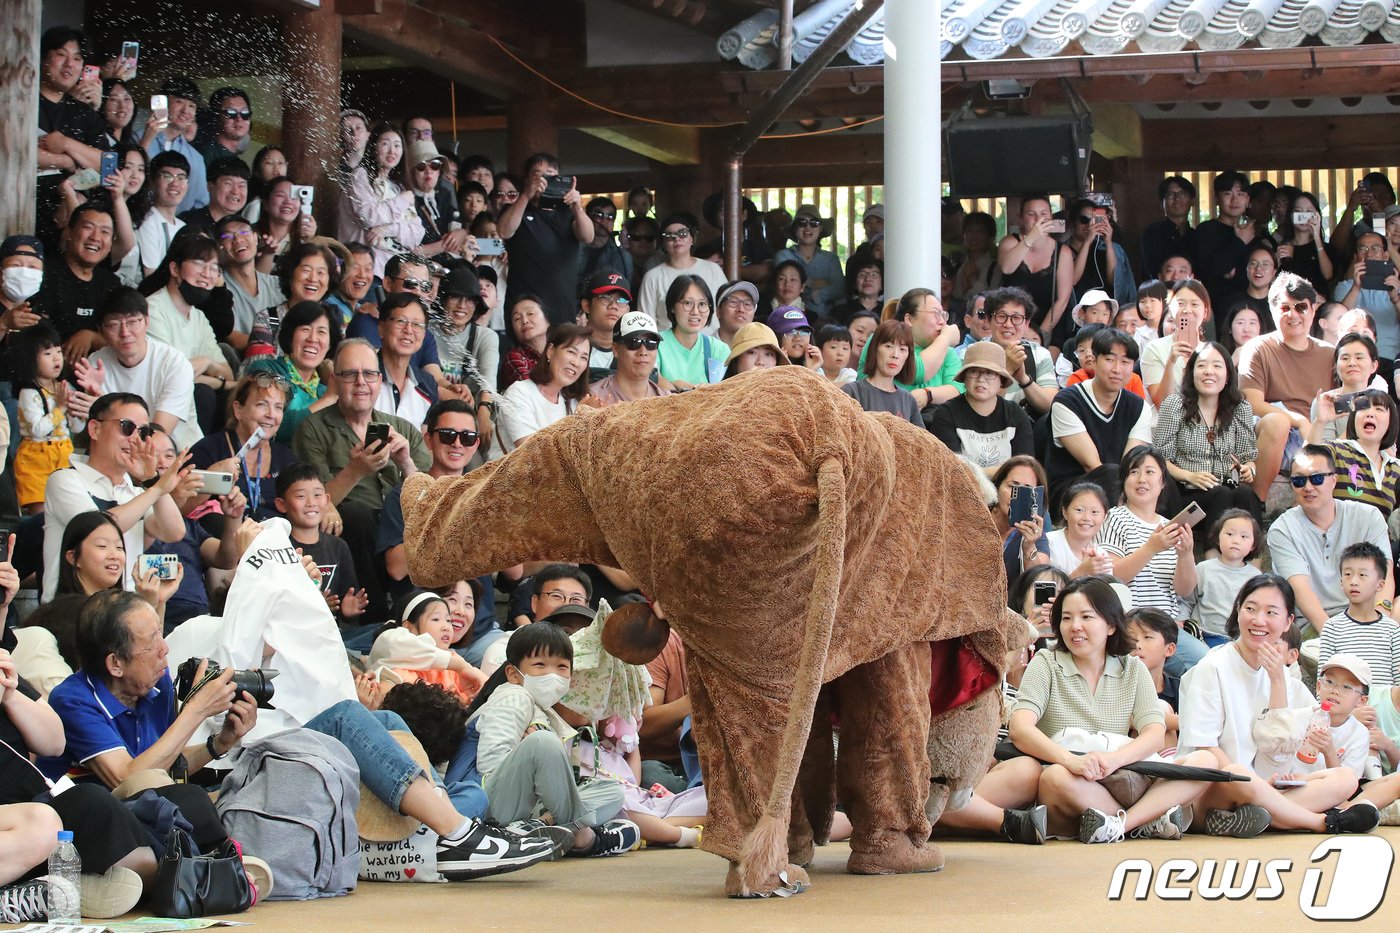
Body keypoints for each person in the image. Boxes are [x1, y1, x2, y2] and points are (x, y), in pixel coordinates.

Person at [938, 577, 1210, 844]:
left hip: (1117, 773)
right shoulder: (1047, 662)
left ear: (1112, 625)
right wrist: (1070, 761)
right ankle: (1146, 820)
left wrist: (1114, 760)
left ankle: (1125, 824)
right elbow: (1021, 729)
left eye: (1086, 617)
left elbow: (1154, 733)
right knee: (1053, 777)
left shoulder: (1133, 668)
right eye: (1066, 618)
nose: (1075, 627)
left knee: (1206, 762)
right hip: (1070, 780)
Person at [1176, 575, 1382, 836]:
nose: (1259, 620)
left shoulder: (1281, 675)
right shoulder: (1212, 667)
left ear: (1287, 622)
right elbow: (1204, 746)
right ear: (1238, 610)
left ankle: (1256, 818)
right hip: (1216, 787)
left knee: (1346, 779)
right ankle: (1320, 822)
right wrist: (1259, 784)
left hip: (1265, 786)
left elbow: (1278, 751)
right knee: (1241, 773)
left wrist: (1276, 682)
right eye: (1250, 608)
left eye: (1271, 612)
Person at [464, 624, 641, 857]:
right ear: (513, 674)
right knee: (543, 742)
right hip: (489, 805)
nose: (552, 674)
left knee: (612, 792)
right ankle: (586, 839)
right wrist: (529, 754)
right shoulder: (514, 697)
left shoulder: (542, 708)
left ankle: (536, 830)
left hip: (525, 809)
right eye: (540, 665)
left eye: (561, 667)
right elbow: (490, 766)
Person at [293, 339, 430, 621]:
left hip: (398, 530)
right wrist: (354, 471)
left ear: (380, 380)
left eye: (369, 374)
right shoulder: (313, 429)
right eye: (349, 374)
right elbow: (311, 503)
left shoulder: (403, 428)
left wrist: (405, 461)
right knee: (357, 515)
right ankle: (376, 618)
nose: (360, 383)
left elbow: (429, 496)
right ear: (334, 380)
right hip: (351, 531)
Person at [1094, 447, 1206, 671]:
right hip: (1130, 624)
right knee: (1198, 665)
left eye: (1149, 472)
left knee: (1207, 663)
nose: (1141, 479)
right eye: (1133, 472)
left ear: (1163, 482)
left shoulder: (1168, 525)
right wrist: (1151, 548)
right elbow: (1112, 577)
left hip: (1166, 627)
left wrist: (1185, 555)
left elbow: (1184, 590)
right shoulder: (1115, 518)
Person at [1267, 445, 1393, 639]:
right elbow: (1301, 591)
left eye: (1317, 478)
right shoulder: (1282, 530)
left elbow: (1384, 577)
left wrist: (1378, 629)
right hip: (1316, 625)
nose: (1308, 487)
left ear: (1334, 480)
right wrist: (1338, 638)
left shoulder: (1368, 517)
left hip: (1368, 616)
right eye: (1299, 481)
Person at [377, 399, 481, 606]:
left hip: (481, 627)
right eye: (447, 435)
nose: (457, 444)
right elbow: (396, 569)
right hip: (423, 622)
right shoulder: (403, 495)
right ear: (428, 439)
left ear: (476, 444)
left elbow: (514, 573)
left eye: (467, 437)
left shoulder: (483, 495)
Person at [72, 287, 201, 450]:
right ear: (101, 330)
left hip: (175, 455)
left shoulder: (174, 363)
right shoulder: (96, 363)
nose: (125, 333)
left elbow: (157, 434)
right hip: (121, 455)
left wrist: (104, 407)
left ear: (147, 321)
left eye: (133, 322)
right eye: (113, 325)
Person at [1237, 272, 1332, 491]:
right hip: (1277, 431)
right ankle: (1257, 503)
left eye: (1301, 307)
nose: (1293, 314)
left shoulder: (1330, 354)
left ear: (1313, 309)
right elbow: (1251, 403)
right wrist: (1297, 420)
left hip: (1319, 430)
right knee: (1278, 422)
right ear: (1272, 309)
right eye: (1285, 308)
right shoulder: (1258, 348)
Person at [1152, 342, 1264, 525]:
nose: (1209, 371)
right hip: (1186, 494)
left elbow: (1248, 458)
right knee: (1221, 494)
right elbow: (1160, 460)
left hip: (1225, 486)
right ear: (1191, 373)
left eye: (1217, 366)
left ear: (1227, 375)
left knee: (1245, 494)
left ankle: (1254, 551)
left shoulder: (1240, 407)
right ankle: (1214, 550)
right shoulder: (1174, 405)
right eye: (1202, 365)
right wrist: (1190, 476)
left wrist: (1249, 469)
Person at [1046, 328, 1151, 510]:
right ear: (1094, 360)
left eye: (1125, 362)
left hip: (1119, 486)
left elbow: (1131, 463)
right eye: (1109, 360)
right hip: (1072, 489)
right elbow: (1091, 464)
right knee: (1110, 473)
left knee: (1157, 478)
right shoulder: (1067, 401)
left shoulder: (1139, 407)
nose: (1117, 369)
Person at [497, 153, 591, 327]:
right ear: (527, 179)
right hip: (525, 309)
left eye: (550, 174)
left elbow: (588, 236)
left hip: (562, 307)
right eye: (537, 174)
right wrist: (526, 195)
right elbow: (504, 231)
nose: (544, 180)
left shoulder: (568, 212)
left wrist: (578, 207)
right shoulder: (515, 209)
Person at [274, 463, 368, 632]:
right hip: (294, 634)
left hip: (334, 635)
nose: (311, 503)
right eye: (301, 496)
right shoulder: (277, 547)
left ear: (327, 500)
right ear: (282, 504)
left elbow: (346, 603)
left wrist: (348, 613)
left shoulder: (338, 546)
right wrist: (316, 607)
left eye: (317, 494)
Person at [928, 341, 1033, 474]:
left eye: (989, 373)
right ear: (964, 377)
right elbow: (951, 472)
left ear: (1001, 379)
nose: (981, 379)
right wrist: (1004, 472)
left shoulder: (1016, 414)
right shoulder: (946, 413)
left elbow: (1025, 469)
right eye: (974, 371)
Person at [245, 300, 342, 444]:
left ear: (329, 344)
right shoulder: (266, 370)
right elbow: (274, 428)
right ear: (290, 336)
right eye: (305, 329)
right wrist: (327, 400)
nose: (313, 339)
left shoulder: (323, 391)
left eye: (321, 332)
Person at [368, 590, 486, 703]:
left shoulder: (454, 661)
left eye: (448, 620)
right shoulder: (399, 660)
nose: (446, 627)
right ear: (408, 627)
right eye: (436, 619)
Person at [339, 124, 424, 277]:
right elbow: (370, 217)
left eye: (397, 145)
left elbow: (416, 234)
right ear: (373, 147)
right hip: (363, 270)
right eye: (385, 144)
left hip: (394, 271)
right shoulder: (360, 176)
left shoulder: (397, 187)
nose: (392, 150)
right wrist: (402, 201)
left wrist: (388, 229)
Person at [496, 324, 591, 455]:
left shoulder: (573, 403)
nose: (576, 362)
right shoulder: (519, 392)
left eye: (584, 358)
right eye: (571, 352)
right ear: (551, 351)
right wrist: (579, 421)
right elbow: (533, 453)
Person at [9, 324, 73, 514]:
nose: (56, 358)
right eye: (47, 353)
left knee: (65, 510)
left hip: (63, 456)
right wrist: (61, 408)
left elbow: (76, 428)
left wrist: (77, 413)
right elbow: (38, 429)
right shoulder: (29, 393)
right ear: (30, 359)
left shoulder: (64, 386)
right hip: (36, 460)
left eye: (59, 351)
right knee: (41, 514)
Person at [1317, 543, 1400, 686]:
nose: (1354, 581)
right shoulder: (1332, 628)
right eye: (1348, 574)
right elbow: (1323, 682)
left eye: (1362, 575)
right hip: (1346, 707)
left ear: (1380, 585)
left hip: (1384, 707)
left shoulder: (1392, 630)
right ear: (1341, 582)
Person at [998, 196, 1073, 340]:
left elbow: (1062, 300)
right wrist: (1031, 238)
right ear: (1021, 219)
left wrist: (1040, 334)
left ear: (1051, 217)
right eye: (1031, 214)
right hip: (1010, 322)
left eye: (1044, 214)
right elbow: (1007, 268)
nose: (1038, 219)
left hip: (1049, 323)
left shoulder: (1063, 252)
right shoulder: (1009, 242)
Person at [636, 213, 727, 331]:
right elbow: (645, 322)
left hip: (710, 343)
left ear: (692, 238)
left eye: (683, 233)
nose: (677, 238)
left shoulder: (713, 269)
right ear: (663, 243)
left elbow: (726, 307)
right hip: (668, 346)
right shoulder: (652, 277)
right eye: (669, 235)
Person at [1190, 509, 1263, 647]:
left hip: (1240, 638)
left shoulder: (1255, 577)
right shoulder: (1203, 568)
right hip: (1205, 635)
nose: (1235, 540)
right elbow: (1187, 600)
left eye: (1244, 537)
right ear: (1218, 538)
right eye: (1229, 534)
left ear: (1253, 545)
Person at [983, 286, 1059, 414]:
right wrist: (1007, 371)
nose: (1008, 324)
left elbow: (1051, 407)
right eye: (1001, 316)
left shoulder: (1040, 354)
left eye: (1016, 318)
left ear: (1027, 324)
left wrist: (1024, 379)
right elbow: (978, 408)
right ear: (989, 320)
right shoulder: (972, 353)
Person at [216, 215, 283, 351]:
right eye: (228, 236)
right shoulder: (219, 290)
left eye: (243, 232)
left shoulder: (277, 285)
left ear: (255, 237)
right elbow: (233, 338)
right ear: (220, 247)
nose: (238, 239)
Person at [1194, 171, 1258, 313]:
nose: (1234, 200)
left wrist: (1231, 270)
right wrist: (1240, 242)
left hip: (1249, 308)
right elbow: (1211, 269)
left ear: (1247, 200)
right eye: (1227, 194)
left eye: (1240, 194)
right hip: (1213, 307)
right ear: (1217, 198)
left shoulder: (1253, 233)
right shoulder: (1206, 230)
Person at [1142, 280, 1210, 409]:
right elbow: (1162, 404)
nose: (1187, 310)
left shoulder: (1211, 352)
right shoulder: (1154, 349)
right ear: (1170, 308)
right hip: (1165, 426)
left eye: (1195, 304)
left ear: (1205, 311)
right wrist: (1171, 362)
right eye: (1180, 303)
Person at [144, 76, 207, 215]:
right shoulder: (137, 138)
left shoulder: (196, 158)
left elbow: (200, 205)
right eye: (179, 102)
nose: (186, 110)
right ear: (163, 103)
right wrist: (146, 140)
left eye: (192, 106)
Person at [840, 319, 921, 426]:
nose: (895, 355)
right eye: (888, 346)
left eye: (902, 349)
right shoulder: (852, 392)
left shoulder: (909, 400)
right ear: (875, 349)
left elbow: (921, 441)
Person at [1334, 230, 1400, 359]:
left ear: (1386, 255)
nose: (1369, 254)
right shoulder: (1345, 287)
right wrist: (1356, 287)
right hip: (1354, 359)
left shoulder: (1396, 287)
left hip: (1391, 358)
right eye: (1362, 249)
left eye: (1375, 248)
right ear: (1355, 256)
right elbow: (1336, 322)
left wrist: (1396, 299)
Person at [773, 205, 844, 320]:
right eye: (802, 223)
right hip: (788, 319)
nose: (807, 228)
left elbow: (840, 289)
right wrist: (821, 284)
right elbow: (782, 288)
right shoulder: (782, 256)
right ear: (795, 228)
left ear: (820, 228)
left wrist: (814, 294)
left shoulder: (831, 259)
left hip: (827, 323)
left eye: (814, 223)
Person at [656, 276, 726, 390]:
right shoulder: (654, 344)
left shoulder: (718, 349)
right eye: (688, 303)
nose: (695, 311)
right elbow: (649, 382)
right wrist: (676, 385)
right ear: (672, 307)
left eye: (702, 304)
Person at [1126, 607, 1182, 740]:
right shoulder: (1115, 683)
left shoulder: (1181, 688)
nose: (1137, 645)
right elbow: (1120, 718)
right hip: (1125, 754)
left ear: (1169, 649)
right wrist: (1180, 721)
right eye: (1130, 638)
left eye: (1147, 637)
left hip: (1176, 757)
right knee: (1161, 707)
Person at [590, 312, 669, 405]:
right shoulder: (593, 398)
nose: (643, 352)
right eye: (633, 343)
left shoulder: (667, 402)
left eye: (651, 343)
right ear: (615, 349)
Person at [1042, 482, 1110, 577]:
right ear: (1065, 512)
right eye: (1079, 510)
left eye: (1094, 512)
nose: (1086, 518)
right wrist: (1082, 571)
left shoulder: (1101, 555)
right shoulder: (1048, 543)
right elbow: (1047, 591)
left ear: (1104, 517)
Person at [1141, 176, 1198, 282]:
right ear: (1161, 203)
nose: (1176, 199)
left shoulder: (1197, 235)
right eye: (1170, 195)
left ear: (1192, 201)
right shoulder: (1152, 233)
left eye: (1182, 194)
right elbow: (1151, 269)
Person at [1275, 191, 1332, 296]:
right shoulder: (1282, 247)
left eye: (1309, 212)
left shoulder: (1325, 248)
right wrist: (1277, 262)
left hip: (1317, 304)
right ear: (1291, 215)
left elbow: (1328, 275)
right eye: (1298, 211)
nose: (1303, 216)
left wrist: (1317, 237)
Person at [577, 271, 630, 381]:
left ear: (627, 310)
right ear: (586, 305)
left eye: (621, 300)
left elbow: (656, 380)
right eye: (605, 298)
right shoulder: (572, 346)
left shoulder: (634, 349)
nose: (614, 306)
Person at [500, 295, 549, 391]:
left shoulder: (561, 352)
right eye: (517, 318)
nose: (524, 321)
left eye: (530, 313)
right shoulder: (514, 358)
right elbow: (532, 393)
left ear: (547, 320)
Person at [720, 322, 787, 380]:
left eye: (769, 354)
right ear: (736, 360)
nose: (760, 362)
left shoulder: (788, 394)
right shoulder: (718, 394)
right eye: (752, 353)